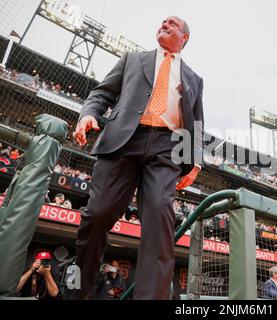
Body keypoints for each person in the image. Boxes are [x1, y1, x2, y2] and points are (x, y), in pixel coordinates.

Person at [73, 16, 204, 300]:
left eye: (172, 23)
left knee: (159, 220)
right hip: (123, 141)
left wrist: (195, 162)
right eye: (163, 22)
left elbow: (197, 123)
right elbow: (101, 93)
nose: (164, 24)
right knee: (97, 214)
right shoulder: (133, 59)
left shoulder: (194, 79)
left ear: (185, 37)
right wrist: (87, 115)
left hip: (166, 148)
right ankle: (78, 292)